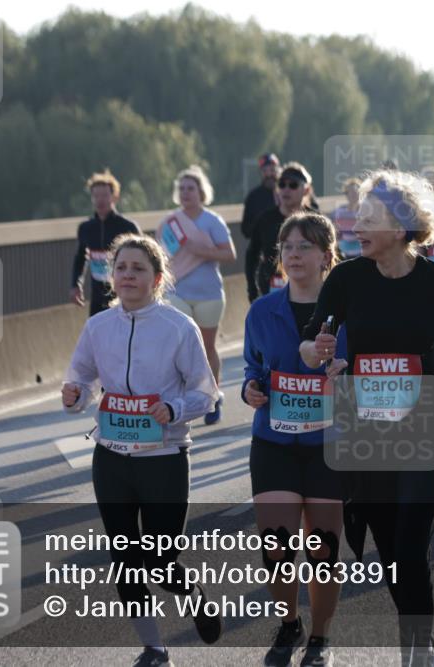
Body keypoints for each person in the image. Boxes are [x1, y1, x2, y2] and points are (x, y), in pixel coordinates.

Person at [299, 170, 434, 666]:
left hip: (425, 428)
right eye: (357, 215)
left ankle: (415, 655)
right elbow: (312, 341)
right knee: (393, 556)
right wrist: (316, 349)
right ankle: (430, 643)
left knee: (411, 545)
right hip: (367, 432)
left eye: (369, 218)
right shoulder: (347, 278)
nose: (357, 225)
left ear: (402, 227)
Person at [62, 234, 223, 666]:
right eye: (122, 268)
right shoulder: (98, 326)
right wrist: (75, 395)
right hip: (112, 458)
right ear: (112, 277)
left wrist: (173, 408)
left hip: (164, 460)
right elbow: (82, 379)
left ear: (156, 279)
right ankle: (154, 648)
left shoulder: (178, 327)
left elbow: (206, 394)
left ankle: (191, 593)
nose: (129, 275)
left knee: (159, 559)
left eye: (139, 269)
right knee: (125, 560)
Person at [242, 213, 347, 667]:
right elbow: (252, 367)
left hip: (330, 444)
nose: (294, 254)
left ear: (327, 256)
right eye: (287, 247)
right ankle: (289, 623)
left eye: (304, 246)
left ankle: (320, 638)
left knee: (322, 547)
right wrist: (251, 388)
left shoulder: (348, 311)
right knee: (278, 543)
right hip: (274, 440)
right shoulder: (262, 310)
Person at [156, 166, 236, 425]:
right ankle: (181, 402)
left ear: (201, 192)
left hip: (209, 293)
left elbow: (229, 254)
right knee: (178, 348)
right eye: (181, 188)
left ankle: (213, 396)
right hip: (177, 291)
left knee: (206, 347)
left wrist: (200, 250)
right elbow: (160, 258)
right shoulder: (169, 223)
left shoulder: (212, 221)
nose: (186, 193)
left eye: (191, 188)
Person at [71, 169, 141, 316]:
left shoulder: (128, 227)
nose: (100, 200)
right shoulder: (85, 228)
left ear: (114, 197)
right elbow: (80, 258)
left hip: (125, 295)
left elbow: (142, 259)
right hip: (97, 297)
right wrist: (76, 284)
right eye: (96, 196)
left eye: (104, 195)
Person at [247, 162, 315, 302]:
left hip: (308, 292)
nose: (286, 189)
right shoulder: (265, 219)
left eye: (293, 185)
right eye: (282, 184)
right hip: (271, 291)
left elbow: (332, 254)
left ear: (306, 190)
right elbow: (252, 255)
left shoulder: (316, 221)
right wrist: (252, 289)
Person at [242, 153, 282, 239]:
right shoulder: (253, 197)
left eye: (272, 170)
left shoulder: (289, 191)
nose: (269, 175)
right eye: (265, 171)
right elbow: (245, 229)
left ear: (279, 170)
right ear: (260, 173)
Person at [331, 178, 362, 260]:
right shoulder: (339, 212)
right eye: (349, 192)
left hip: (361, 251)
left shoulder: (366, 212)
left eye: (355, 191)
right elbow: (336, 232)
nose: (353, 195)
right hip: (343, 251)